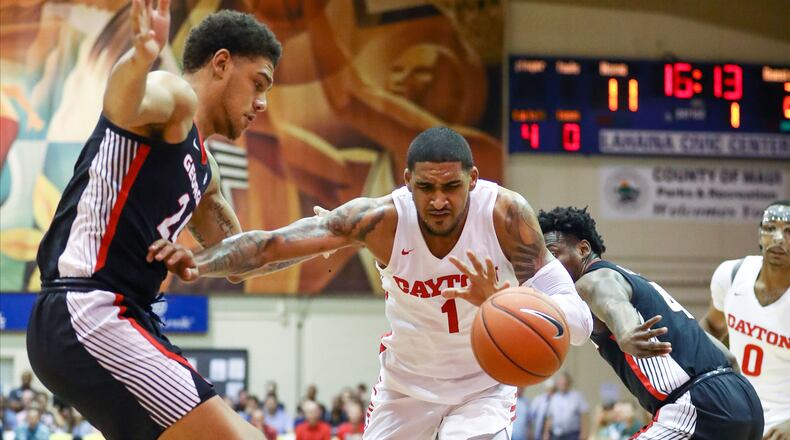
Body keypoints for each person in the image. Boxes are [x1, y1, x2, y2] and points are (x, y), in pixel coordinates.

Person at [150, 126, 593, 439]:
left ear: (473, 181)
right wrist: (196, 260)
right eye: (426, 188)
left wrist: (500, 299)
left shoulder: (506, 216)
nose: (439, 200)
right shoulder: (378, 220)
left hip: (482, 387)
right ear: (407, 182)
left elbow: (578, 322)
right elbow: (269, 246)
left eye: (452, 187)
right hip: (406, 385)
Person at [26, 0, 283, 438]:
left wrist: (338, 234)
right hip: (89, 308)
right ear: (221, 64)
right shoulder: (174, 99)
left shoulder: (206, 172)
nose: (261, 103)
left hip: (114, 317)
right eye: (258, 84)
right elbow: (125, 101)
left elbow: (245, 258)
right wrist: (140, 56)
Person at [447, 206, 765, 439]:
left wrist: (625, 332)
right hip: (742, 399)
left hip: (697, 406)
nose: (546, 267)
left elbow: (612, 303)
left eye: (552, 254)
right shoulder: (636, 280)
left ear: (584, 249)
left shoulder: (592, 280)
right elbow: (729, 356)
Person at [701, 200, 790, 438]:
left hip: (784, 423)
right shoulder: (732, 274)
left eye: (789, 230)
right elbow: (711, 326)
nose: (779, 238)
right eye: (770, 228)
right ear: (760, 235)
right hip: (736, 413)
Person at [542, 372, 588, 440]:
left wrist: (584, 433)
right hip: (556, 435)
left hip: (572, 435)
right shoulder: (554, 398)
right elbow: (549, 417)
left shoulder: (577, 396)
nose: (563, 385)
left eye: (564, 383)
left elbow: (584, 415)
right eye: (561, 383)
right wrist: (546, 433)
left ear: (569, 383)